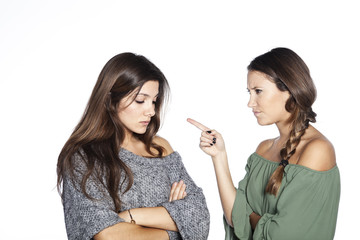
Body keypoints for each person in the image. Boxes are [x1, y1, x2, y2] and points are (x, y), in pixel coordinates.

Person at [188, 47, 340, 240]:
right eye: (249, 92)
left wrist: (248, 215)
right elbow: (235, 218)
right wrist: (219, 156)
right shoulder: (264, 149)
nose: (250, 103)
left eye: (258, 91)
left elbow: (283, 235)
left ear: (289, 90)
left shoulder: (317, 151)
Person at [57, 52, 210, 240]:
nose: (151, 111)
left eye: (154, 101)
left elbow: (200, 219)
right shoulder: (83, 158)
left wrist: (131, 216)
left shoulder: (160, 148)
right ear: (109, 99)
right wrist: (177, 228)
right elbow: (108, 235)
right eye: (140, 100)